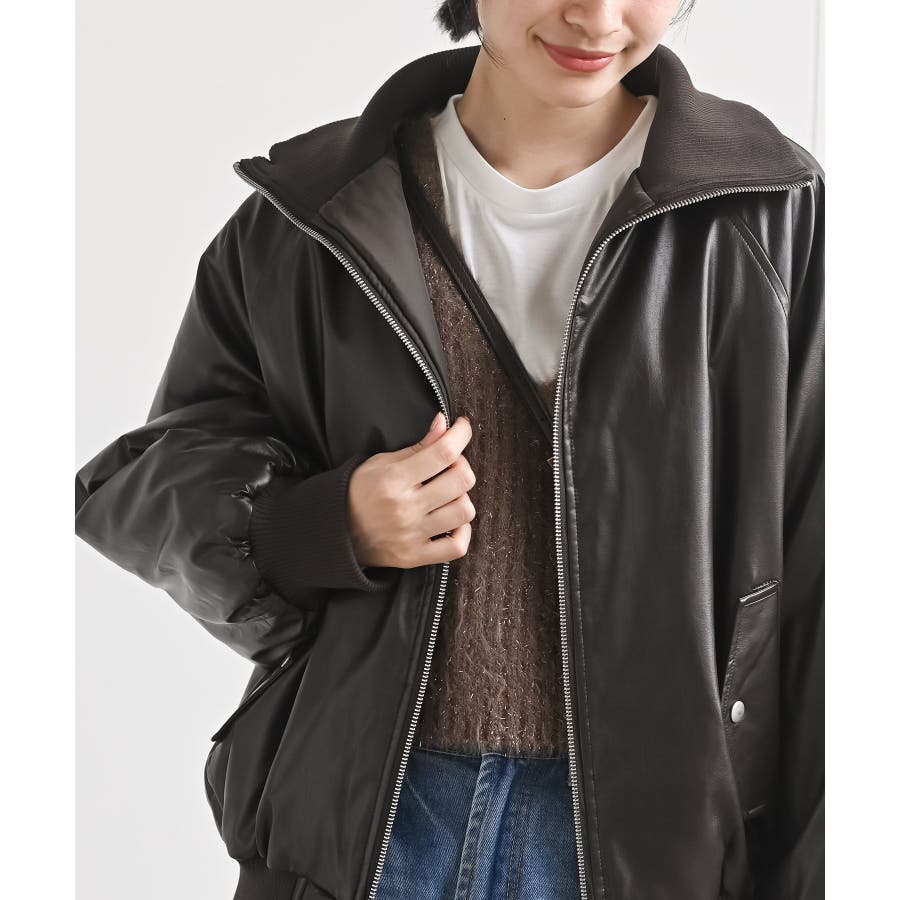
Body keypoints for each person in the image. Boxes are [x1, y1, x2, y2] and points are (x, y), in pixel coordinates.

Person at [75, 2, 825, 899]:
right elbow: (144, 480)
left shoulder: (767, 214)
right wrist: (325, 524)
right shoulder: (316, 214)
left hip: (653, 837)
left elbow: (828, 577)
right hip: (368, 828)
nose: (596, 17)